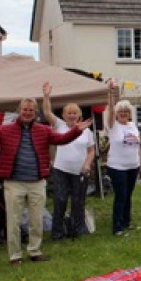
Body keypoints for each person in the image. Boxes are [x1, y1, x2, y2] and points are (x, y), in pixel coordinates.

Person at [0, 95, 89, 265]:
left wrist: (77, 130)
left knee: (36, 220)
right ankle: (15, 256)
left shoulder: (44, 130)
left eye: (31, 110)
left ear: (35, 113)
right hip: (13, 182)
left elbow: (61, 140)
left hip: (37, 182)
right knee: (13, 221)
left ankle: (34, 250)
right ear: (19, 111)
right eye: (24, 110)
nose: (27, 113)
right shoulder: (5, 130)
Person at [41, 82, 95, 240]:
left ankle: (77, 230)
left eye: (74, 113)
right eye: (69, 113)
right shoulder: (59, 125)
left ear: (79, 115)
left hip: (80, 172)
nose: (72, 116)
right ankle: (57, 233)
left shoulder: (86, 131)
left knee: (78, 201)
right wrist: (46, 96)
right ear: (64, 115)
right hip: (61, 170)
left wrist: (87, 164)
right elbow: (47, 112)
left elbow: (91, 151)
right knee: (60, 200)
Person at [105, 79, 141, 236]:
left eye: (126, 112)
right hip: (117, 167)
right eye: (121, 112)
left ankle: (127, 222)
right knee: (120, 196)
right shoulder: (113, 126)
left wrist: (140, 165)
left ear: (129, 114)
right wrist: (111, 94)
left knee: (128, 195)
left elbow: (137, 146)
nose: (123, 114)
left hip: (132, 166)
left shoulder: (132, 126)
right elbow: (110, 111)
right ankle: (117, 227)